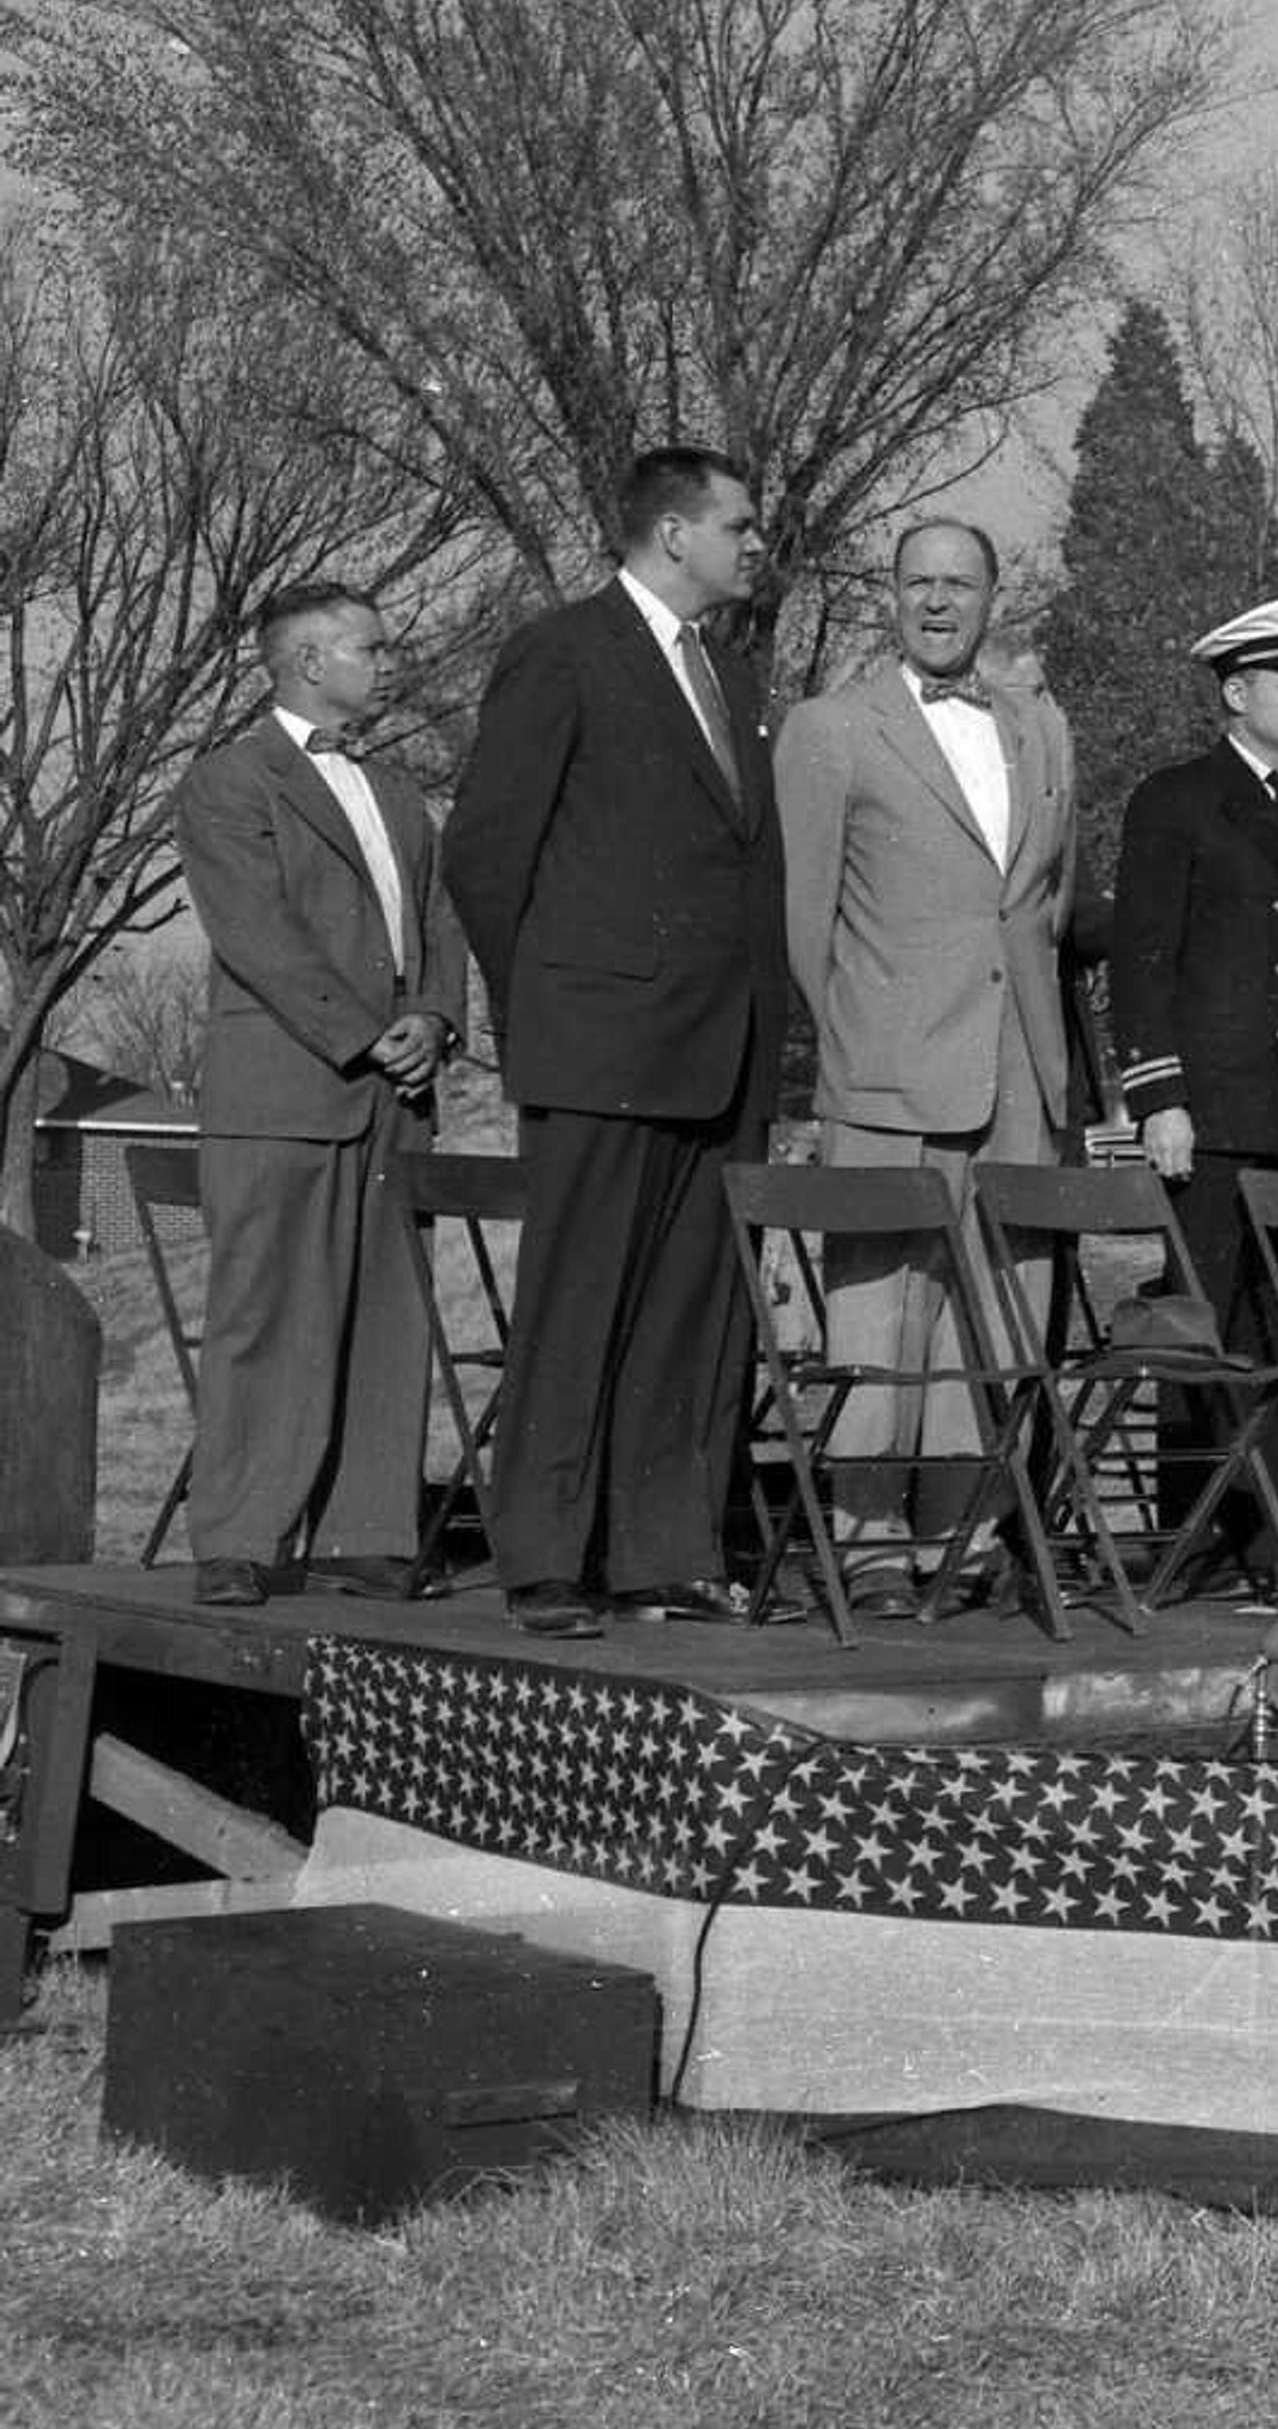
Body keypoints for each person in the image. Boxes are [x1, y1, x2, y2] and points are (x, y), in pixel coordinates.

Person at [443, 446, 784, 1640]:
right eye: (739, 525)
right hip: (600, 1045)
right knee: (577, 1302)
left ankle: (660, 1553)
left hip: (721, 1050)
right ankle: (543, 1557)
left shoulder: (732, 676)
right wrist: (550, 1008)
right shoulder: (563, 649)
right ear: (674, 534)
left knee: (693, 1313)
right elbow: (486, 851)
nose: (756, 543)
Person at [772, 520, 1078, 1612]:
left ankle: (965, 1543)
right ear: (889, 597)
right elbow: (803, 925)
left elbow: (1045, 906)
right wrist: (866, 1042)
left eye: (961, 584)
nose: (938, 604)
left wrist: (1043, 1062)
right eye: (918, 585)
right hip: (888, 1074)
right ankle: (863, 1547)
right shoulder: (829, 729)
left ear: (995, 598)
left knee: (997, 1318)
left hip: (1019, 1078)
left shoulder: (1040, 730)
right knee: (879, 1318)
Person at [172, 583, 467, 1608]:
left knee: (390, 1317)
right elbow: (254, 934)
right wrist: (364, 1033)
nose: (388, 664)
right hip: (285, 1092)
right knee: (265, 1315)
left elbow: (437, 922)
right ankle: (241, 1538)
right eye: (370, 649)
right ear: (305, 661)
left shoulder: (397, 795)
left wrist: (434, 1020)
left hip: (397, 1096)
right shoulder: (227, 781)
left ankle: (363, 1535)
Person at [1108, 594, 1278, 1583]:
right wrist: (1158, 1095)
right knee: (1204, 1327)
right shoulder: (1173, 801)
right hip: (1213, 1113)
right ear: (1236, 690)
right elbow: (1143, 960)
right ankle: (1193, 1542)